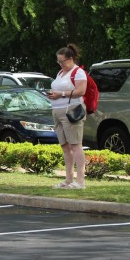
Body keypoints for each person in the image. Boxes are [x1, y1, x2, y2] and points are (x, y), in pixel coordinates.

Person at [47, 44, 87, 189]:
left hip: (71, 111)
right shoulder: (60, 73)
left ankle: (80, 181)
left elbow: (81, 91)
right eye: (58, 61)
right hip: (57, 111)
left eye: (62, 61)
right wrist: (52, 94)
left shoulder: (78, 72)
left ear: (70, 59)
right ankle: (69, 179)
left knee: (75, 145)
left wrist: (61, 94)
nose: (60, 64)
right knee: (65, 146)